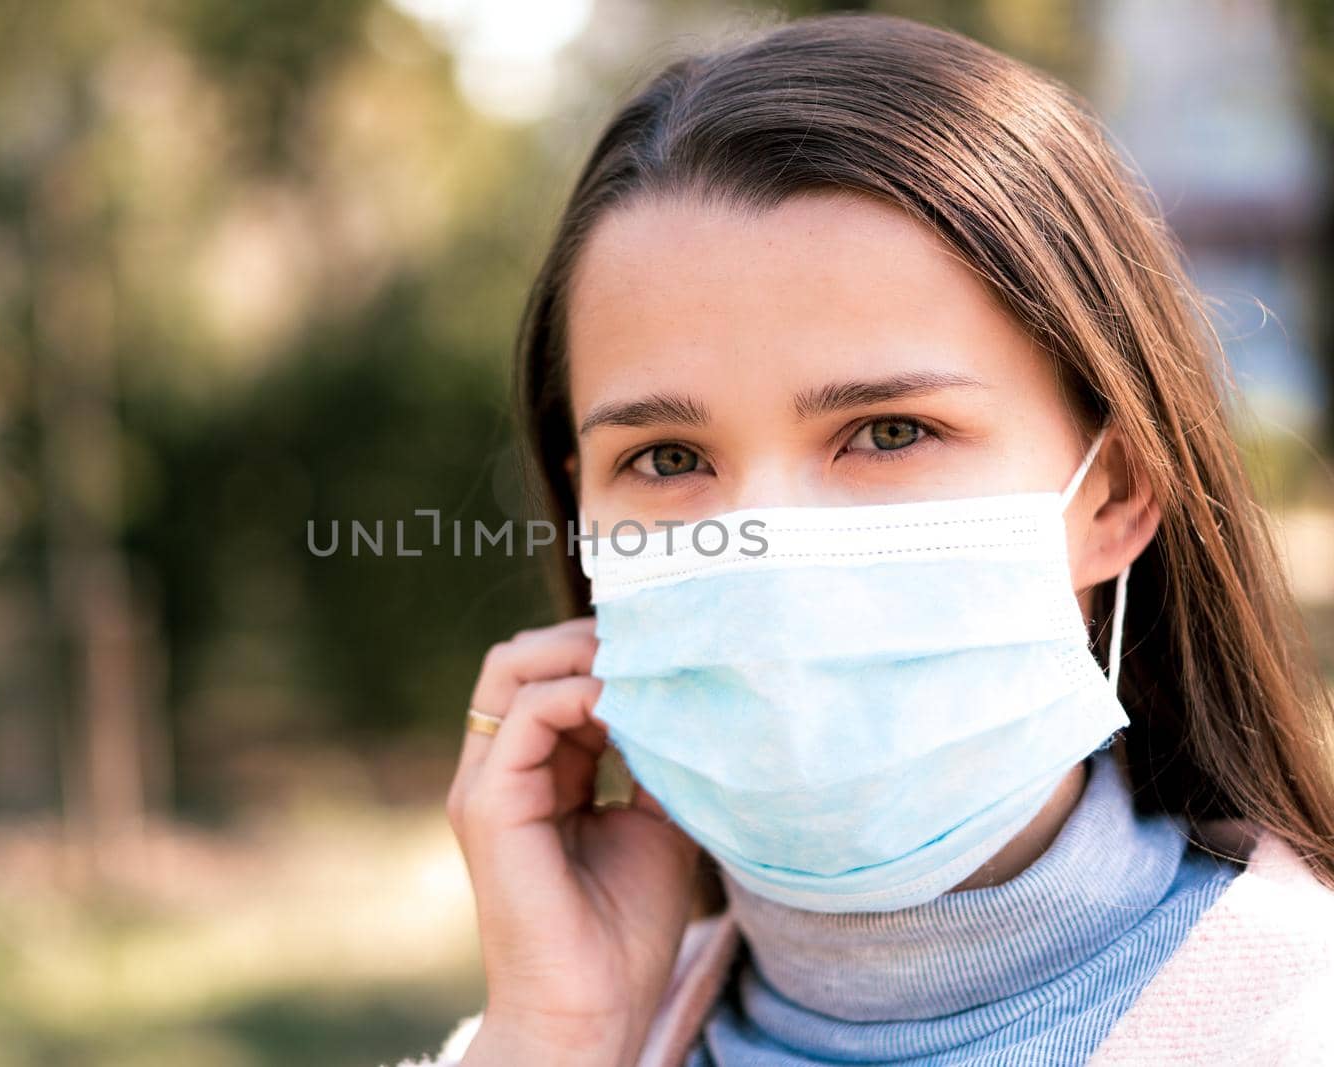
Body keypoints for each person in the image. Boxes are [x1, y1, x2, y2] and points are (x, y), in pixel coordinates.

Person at [386, 12, 1334, 1066]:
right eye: (665, 457)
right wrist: (554, 1037)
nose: (767, 551)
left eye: (888, 432)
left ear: (1114, 492)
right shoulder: (541, 1039)